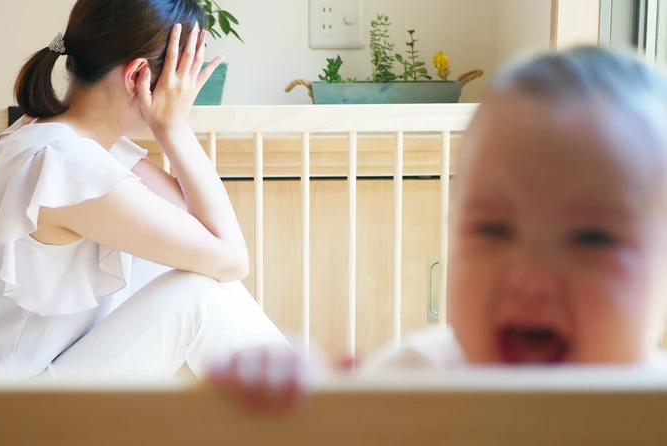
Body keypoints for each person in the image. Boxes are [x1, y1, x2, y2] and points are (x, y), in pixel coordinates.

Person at [207, 46, 667, 410]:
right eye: (492, 230)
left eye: (593, 239)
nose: (529, 281)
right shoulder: (414, 379)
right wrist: (306, 408)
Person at [0, 0, 288, 379]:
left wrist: (172, 127)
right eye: (183, 78)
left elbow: (201, 232)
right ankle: (320, 416)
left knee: (199, 281)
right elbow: (231, 259)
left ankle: (311, 413)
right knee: (200, 299)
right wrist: (174, 128)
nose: (187, 94)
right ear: (138, 77)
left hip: (10, 402)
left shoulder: (61, 139)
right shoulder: (64, 161)